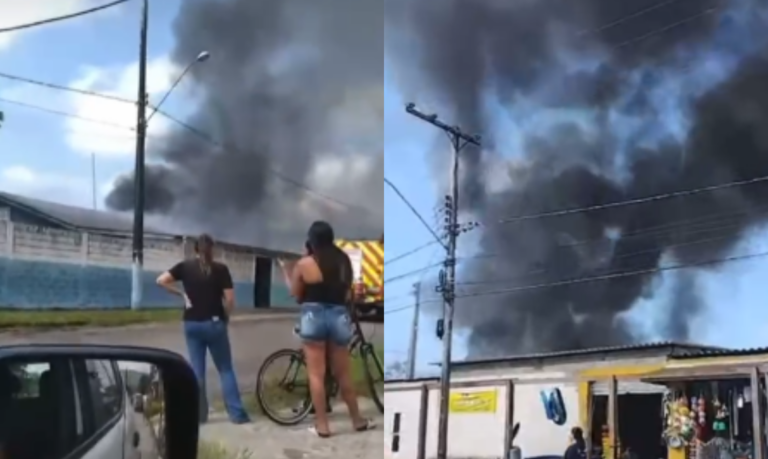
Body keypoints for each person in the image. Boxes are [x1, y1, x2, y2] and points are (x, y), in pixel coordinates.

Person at [279, 221, 375, 437]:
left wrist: (289, 275)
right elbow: (347, 293)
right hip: (339, 315)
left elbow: (296, 294)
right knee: (344, 374)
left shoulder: (306, 263)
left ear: (312, 240)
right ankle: (357, 421)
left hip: (313, 315)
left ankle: (322, 426)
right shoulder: (343, 261)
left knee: (316, 374)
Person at [156, 233, 250, 424]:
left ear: (195, 249)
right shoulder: (221, 269)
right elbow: (230, 300)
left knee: (197, 371)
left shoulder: (184, 267)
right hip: (214, 323)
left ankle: (199, 417)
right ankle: (237, 415)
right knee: (225, 369)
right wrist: (226, 317)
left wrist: (182, 294)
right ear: (212, 249)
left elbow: (161, 280)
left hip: (191, 324)